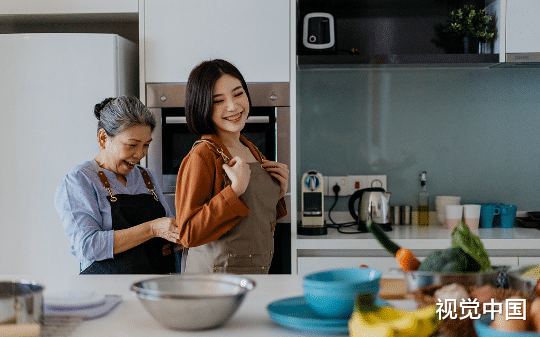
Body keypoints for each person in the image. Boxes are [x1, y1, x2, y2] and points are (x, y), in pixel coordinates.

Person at [175, 59, 289, 274]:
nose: (233, 106)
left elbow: (254, 221)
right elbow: (188, 234)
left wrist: (278, 193)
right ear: (202, 106)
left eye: (238, 94)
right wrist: (234, 191)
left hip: (255, 274)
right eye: (218, 101)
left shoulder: (251, 149)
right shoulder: (203, 155)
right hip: (213, 285)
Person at [54, 96, 181, 274]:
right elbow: (88, 246)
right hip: (107, 292)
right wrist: (152, 229)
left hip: (155, 288)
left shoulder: (147, 177)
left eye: (146, 145)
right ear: (103, 138)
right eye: (132, 145)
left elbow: (166, 233)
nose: (140, 154)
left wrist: (181, 236)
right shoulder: (79, 180)